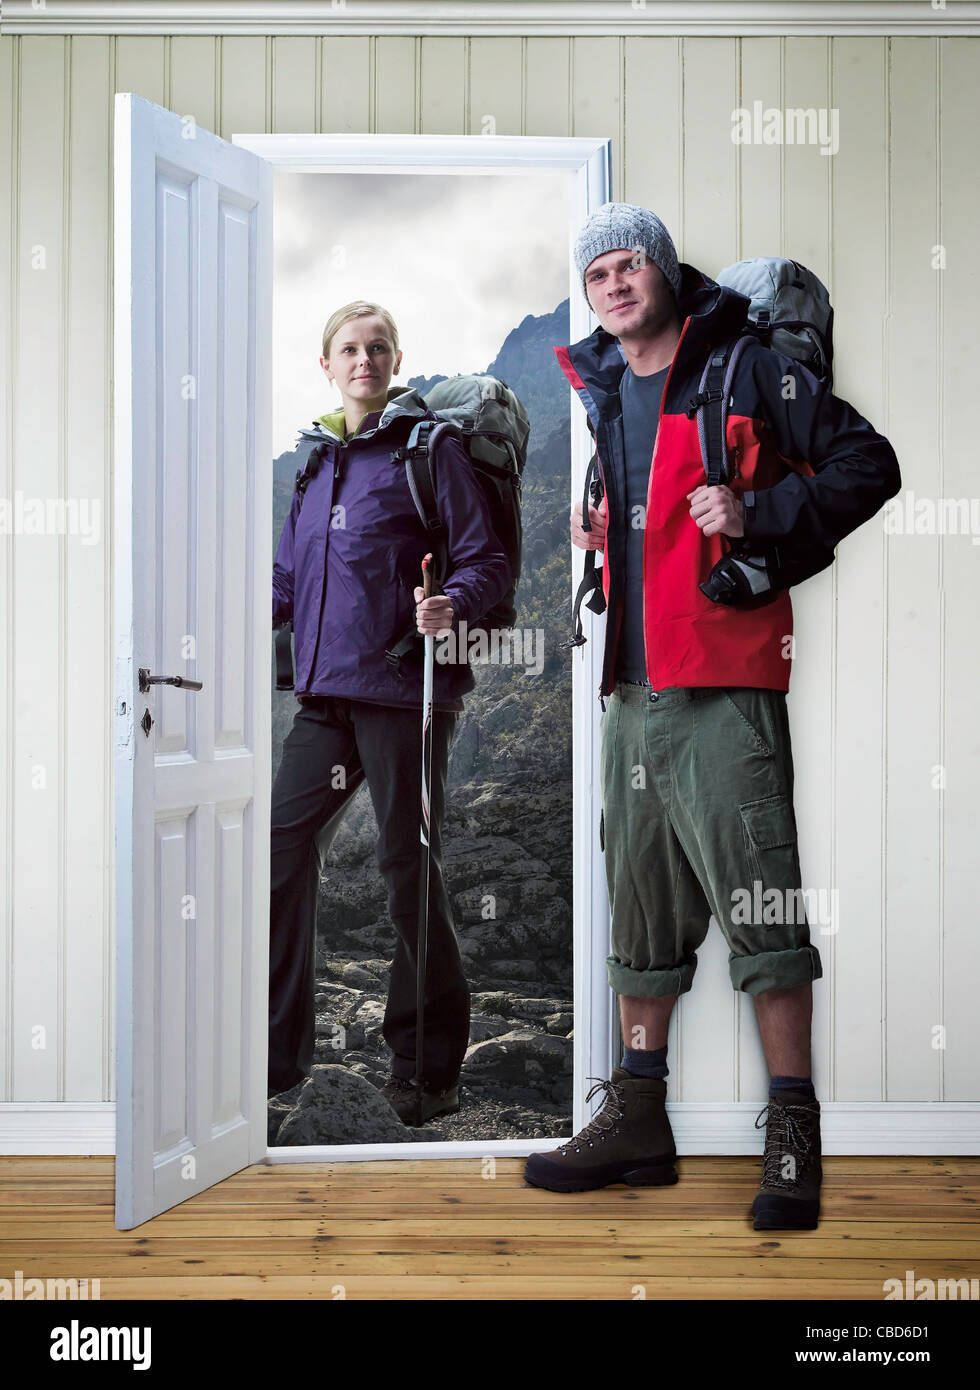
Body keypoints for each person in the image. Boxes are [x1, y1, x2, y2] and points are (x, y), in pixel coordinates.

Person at [524, 204, 901, 1229]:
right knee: (639, 910)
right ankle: (638, 1117)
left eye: (628, 264)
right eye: (595, 270)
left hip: (725, 683)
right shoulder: (604, 390)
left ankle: (790, 1130)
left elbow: (868, 464)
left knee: (761, 905)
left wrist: (760, 515)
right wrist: (603, 528)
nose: (612, 282)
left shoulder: (741, 368)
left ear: (661, 274)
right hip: (630, 688)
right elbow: (649, 522)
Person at [269, 300, 510, 1125]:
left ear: (396, 358)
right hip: (326, 697)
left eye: (377, 347)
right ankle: (275, 1054)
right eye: (348, 348)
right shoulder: (313, 464)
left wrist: (451, 604)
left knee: (407, 872)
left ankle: (426, 1069)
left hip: (409, 692)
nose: (363, 359)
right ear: (326, 366)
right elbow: (286, 584)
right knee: (278, 854)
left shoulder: (427, 450)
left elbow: (486, 561)